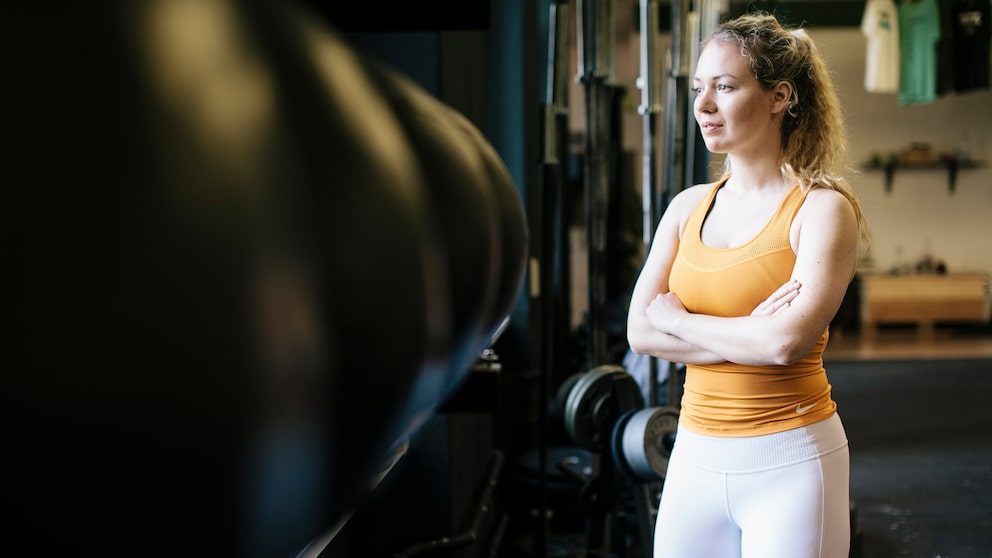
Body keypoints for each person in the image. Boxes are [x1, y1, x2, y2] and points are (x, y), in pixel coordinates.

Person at [626, 13, 868, 558]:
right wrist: (747, 333)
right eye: (698, 89)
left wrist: (680, 321)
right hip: (692, 457)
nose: (703, 106)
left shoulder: (822, 209)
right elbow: (640, 332)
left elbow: (786, 344)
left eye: (726, 87)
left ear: (781, 95)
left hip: (792, 459)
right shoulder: (687, 207)